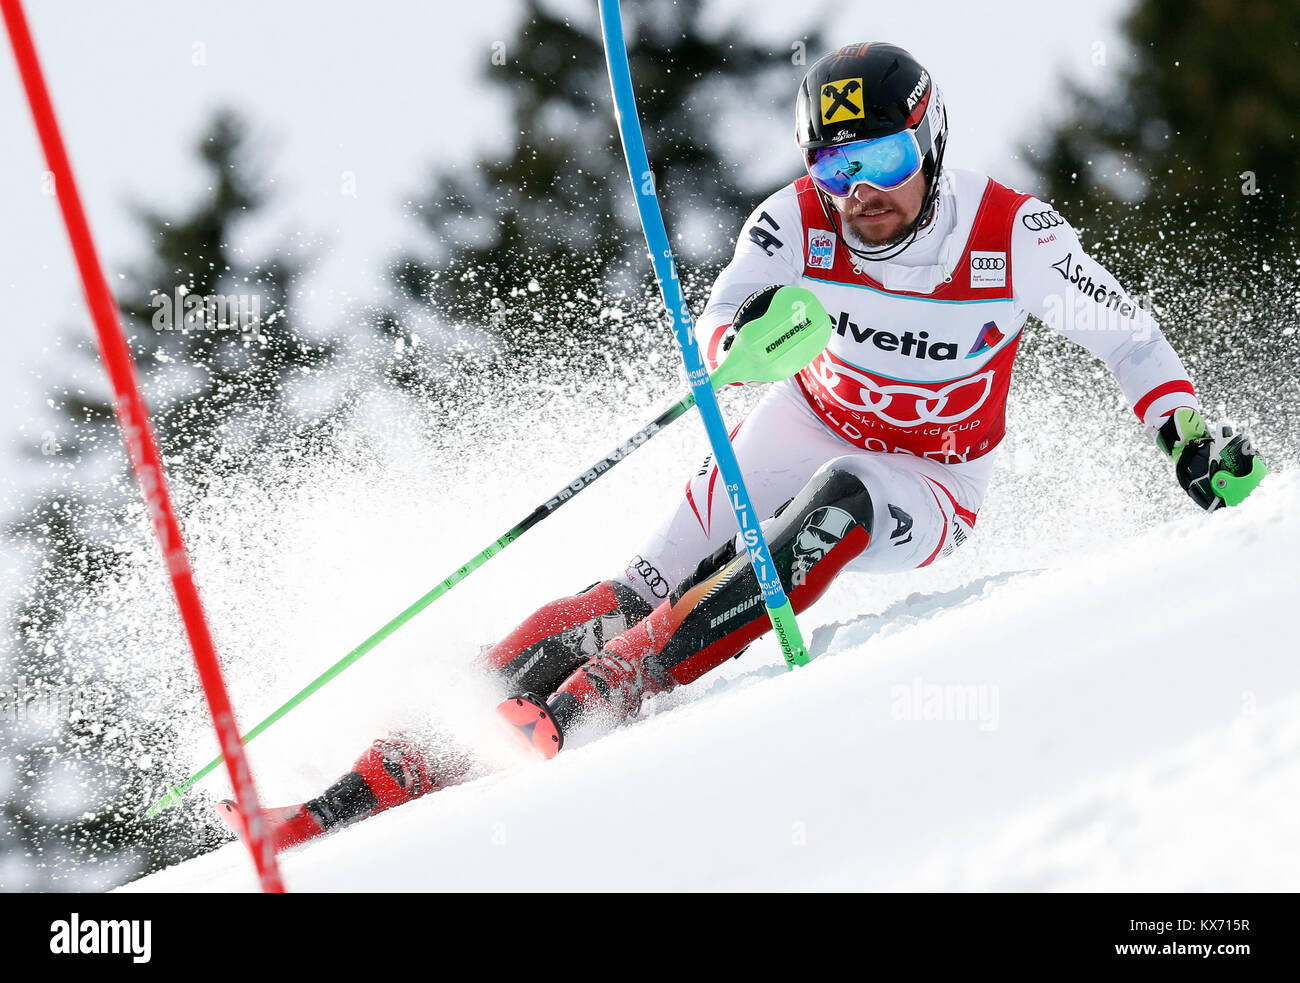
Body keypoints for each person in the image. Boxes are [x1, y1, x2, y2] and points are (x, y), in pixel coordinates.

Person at [218, 42, 1267, 851]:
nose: (863, 191)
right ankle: (336, 802)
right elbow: (715, 331)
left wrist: (1180, 433)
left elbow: (1125, 335)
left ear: (932, 144)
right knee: (614, 594)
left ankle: (609, 692)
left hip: (929, 478)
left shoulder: (1013, 237)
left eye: (887, 160)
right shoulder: (794, 223)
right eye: (837, 163)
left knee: (841, 494)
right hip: (796, 423)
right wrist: (743, 345)